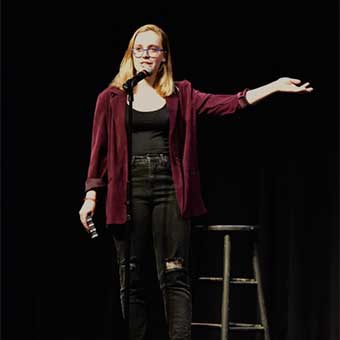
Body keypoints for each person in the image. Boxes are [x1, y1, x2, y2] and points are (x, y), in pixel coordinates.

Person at [79, 23, 313, 340]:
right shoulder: (111, 98)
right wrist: (92, 196)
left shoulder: (181, 94)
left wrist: (272, 86)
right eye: (139, 48)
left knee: (174, 273)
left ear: (164, 56)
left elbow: (228, 103)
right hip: (127, 190)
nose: (145, 54)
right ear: (130, 55)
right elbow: (99, 150)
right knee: (130, 275)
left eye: (152, 49)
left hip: (169, 188)